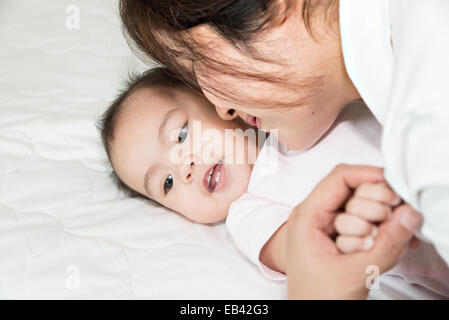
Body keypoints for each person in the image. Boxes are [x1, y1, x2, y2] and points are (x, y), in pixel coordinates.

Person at [119, 0, 449, 297]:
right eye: (166, 183)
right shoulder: (250, 208)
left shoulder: (322, 105)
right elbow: (300, 251)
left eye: (181, 135)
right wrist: (343, 228)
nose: (184, 168)